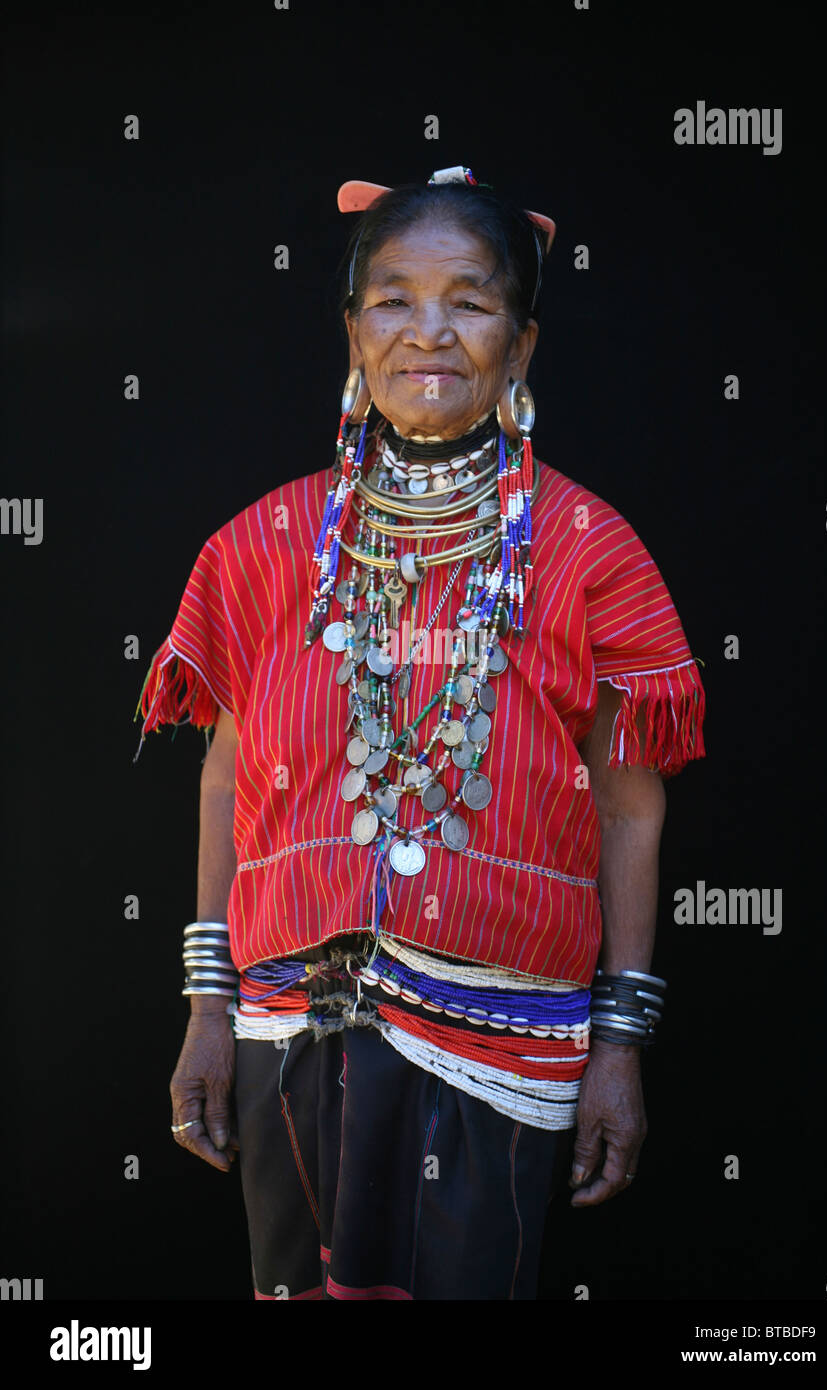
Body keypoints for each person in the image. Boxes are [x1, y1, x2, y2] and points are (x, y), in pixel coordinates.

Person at [135, 165, 706, 1301]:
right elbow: (223, 781)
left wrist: (619, 1046)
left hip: (506, 1039)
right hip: (290, 1024)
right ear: (352, 331)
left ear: (522, 343)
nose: (428, 331)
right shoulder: (262, 546)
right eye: (393, 299)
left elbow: (629, 805)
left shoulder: (591, 553)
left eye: (471, 300)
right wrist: (207, 1008)